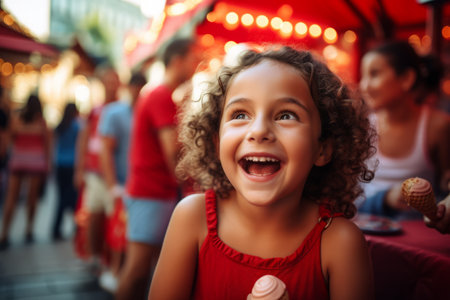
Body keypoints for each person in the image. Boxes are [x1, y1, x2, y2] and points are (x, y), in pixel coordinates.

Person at [148, 46, 375, 299]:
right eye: (240, 114)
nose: (259, 130)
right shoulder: (191, 218)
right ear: (216, 141)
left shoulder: (341, 243)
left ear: (322, 148)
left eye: (286, 115)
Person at [116, 37, 201, 300]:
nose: (197, 64)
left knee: (146, 268)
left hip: (151, 191)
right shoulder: (161, 94)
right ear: (177, 61)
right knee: (138, 269)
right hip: (150, 192)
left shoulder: (157, 93)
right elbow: (172, 153)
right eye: (193, 58)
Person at [358, 41, 450, 219]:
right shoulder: (363, 126)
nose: (364, 86)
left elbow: (445, 192)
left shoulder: (438, 127)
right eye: (363, 76)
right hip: (365, 226)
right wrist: (385, 198)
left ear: (406, 78)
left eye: (374, 74)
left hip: (416, 236)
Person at [96, 72, 147, 292]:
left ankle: (123, 276)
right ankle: (113, 271)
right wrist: (112, 185)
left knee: (131, 234)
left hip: (140, 186)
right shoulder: (114, 112)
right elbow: (105, 151)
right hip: (120, 184)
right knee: (117, 231)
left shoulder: (145, 112)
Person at [74, 65, 121, 270]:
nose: (111, 85)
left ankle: (109, 260)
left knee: (114, 219)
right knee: (93, 214)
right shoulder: (95, 111)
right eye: (108, 81)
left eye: (114, 80)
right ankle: (93, 256)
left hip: (115, 173)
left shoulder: (123, 109)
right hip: (94, 172)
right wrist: (79, 169)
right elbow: (83, 141)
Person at [0, 95, 50, 249]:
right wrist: (47, 164)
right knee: (32, 198)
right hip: (35, 161)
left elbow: (10, 138)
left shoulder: (17, 119)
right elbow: (47, 144)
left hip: (18, 159)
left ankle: (5, 233)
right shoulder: (41, 122)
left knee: (11, 197)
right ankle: (29, 230)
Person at [52, 102, 81, 240]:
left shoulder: (60, 126)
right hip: (72, 165)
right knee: (72, 198)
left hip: (59, 164)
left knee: (61, 198)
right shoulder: (77, 126)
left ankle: (56, 228)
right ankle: (77, 227)